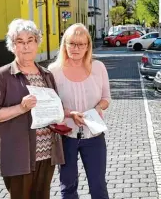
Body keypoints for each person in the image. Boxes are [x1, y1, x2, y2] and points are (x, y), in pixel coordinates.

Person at [0, 19, 65, 199]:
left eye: (30, 40)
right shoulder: (2, 75)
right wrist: (21, 108)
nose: (26, 46)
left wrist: (59, 114)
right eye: (19, 42)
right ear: (12, 46)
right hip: (17, 154)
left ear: (37, 43)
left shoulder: (46, 74)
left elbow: (55, 107)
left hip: (46, 151)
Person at [48, 23, 111, 199]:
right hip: (66, 137)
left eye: (81, 44)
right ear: (64, 44)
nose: (76, 48)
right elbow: (52, 105)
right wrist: (70, 114)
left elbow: (106, 98)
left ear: (88, 46)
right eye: (72, 43)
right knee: (67, 186)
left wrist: (98, 108)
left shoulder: (98, 67)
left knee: (98, 186)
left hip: (94, 136)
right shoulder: (54, 71)